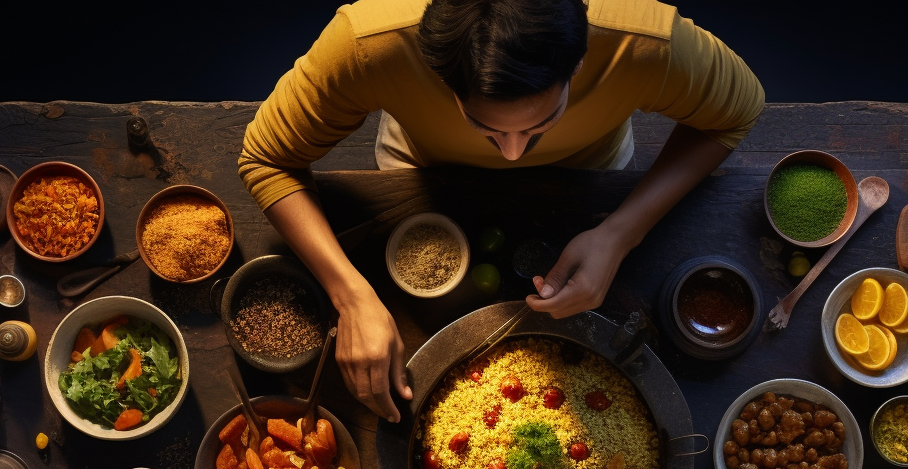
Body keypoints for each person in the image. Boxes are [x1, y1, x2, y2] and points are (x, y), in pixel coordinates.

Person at [240, 0, 763, 421]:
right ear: (440, 77)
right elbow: (266, 158)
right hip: (421, 173)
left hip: (590, 177)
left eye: (541, 123)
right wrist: (351, 295)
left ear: (580, 61)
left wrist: (620, 233)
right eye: (486, 128)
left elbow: (737, 112)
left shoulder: (643, 39)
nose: (512, 155)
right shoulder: (369, 42)